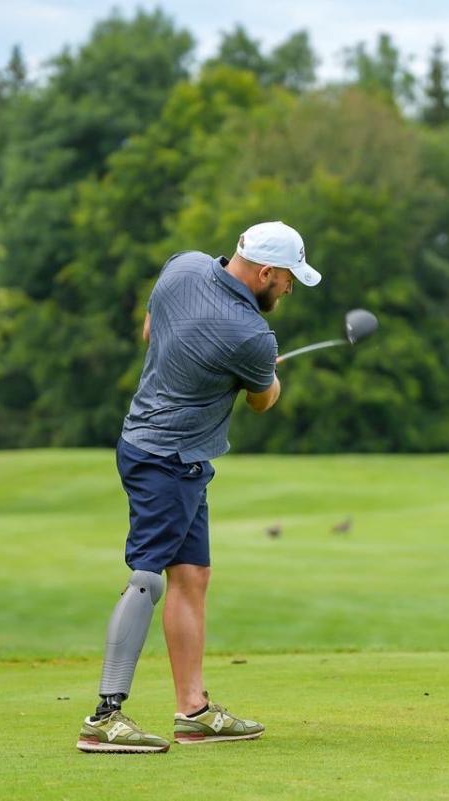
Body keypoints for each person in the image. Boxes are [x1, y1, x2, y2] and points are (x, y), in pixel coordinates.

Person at [76, 221, 321, 753]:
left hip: (164, 451)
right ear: (264, 272)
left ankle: (193, 711)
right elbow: (262, 401)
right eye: (286, 278)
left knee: (192, 574)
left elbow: (150, 332)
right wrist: (261, 373)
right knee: (148, 578)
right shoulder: (253, 337)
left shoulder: (182, 265)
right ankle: (104, 718)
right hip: (166, 458)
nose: (289, 288)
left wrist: (226, 363)